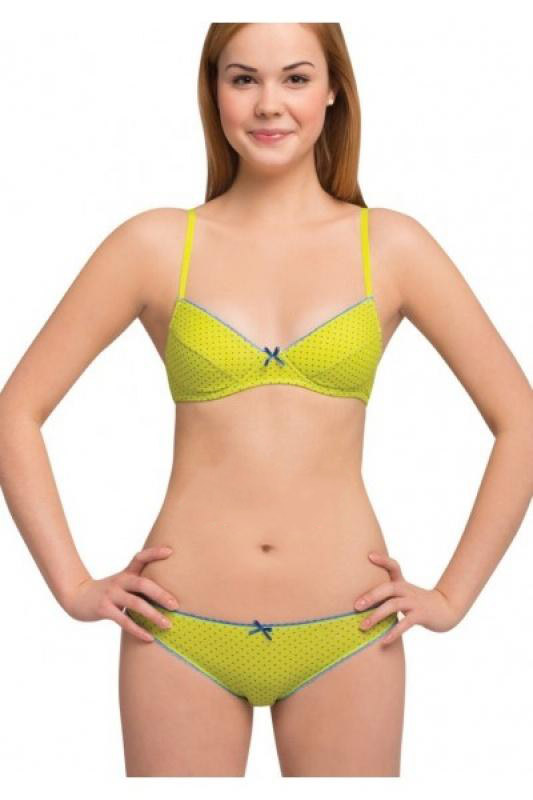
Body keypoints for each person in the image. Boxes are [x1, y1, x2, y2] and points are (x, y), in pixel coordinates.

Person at [0, 22, 531, 778]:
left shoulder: (391, 245)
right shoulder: (154, 244)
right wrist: (72, 585)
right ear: (213, 90)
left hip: (347, 631)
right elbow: (15, 411)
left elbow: (520, 420)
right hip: (178, 631)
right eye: (243, 78)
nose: (268, 104)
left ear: (333, 91)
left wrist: (452, 597)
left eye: (295, 78)